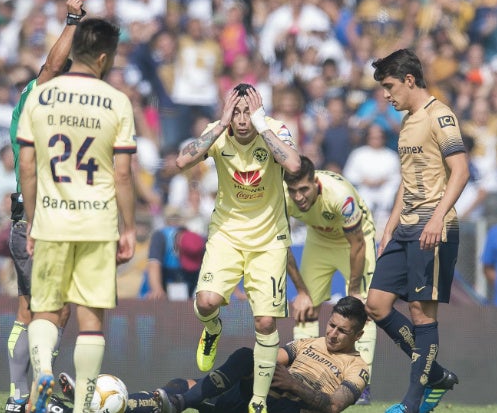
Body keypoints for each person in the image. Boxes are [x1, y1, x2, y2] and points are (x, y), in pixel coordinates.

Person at [17, 17, 137, 413]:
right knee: (90, 320)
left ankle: (42, 369)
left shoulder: (41, 95)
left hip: (51, 219)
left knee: (45, 311)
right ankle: (85, 404)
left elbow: (28, 167)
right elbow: (122, 173)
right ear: (104, 57)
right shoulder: (117, 101)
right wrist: (130, 228)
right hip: (97, 223)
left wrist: (32, 221)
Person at [175, 83, 301, 413]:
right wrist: (219, 124)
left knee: (265, 323)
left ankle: (258, 399)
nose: (242, 119)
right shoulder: (216, 133)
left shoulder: (274, 129)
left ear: (258, 111)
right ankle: (214, 327)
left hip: (269, 240)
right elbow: (180, 162)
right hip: (227, 235)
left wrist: (262, 123)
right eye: (237, 111)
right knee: (206, 303)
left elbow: (295, 165)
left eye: (248, 111)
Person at [363, 48, 469, 413]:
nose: (386, 95)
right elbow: (408, 181)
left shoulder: (440, 115)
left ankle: (412, 403)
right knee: (376, 306)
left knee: (422, 315)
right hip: (405, 227)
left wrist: (439, 217)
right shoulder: (407, 120)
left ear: (410, 80)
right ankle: (434, 373)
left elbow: (461, 170)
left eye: (390, 86)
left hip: (432, 226)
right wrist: (389, 226)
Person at [61, 296, 370, 413]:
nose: (332, 334)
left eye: (342, 331)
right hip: (257, 399)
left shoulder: (357, 367)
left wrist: (294, 385)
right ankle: (108, 406)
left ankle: (169, 404)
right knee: (186, 383)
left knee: (193, 392)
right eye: (331, 325)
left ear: (358, 334)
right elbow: (269, 358)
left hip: (291, 407)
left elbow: (333, 406)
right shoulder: (308, 343)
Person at [2, 0, 84, 413]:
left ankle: (20, 399)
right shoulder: (36, 97)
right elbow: (51, 67)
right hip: (38, 225)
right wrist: (72, 19)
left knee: (28, 312)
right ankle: (39, 396)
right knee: (54, 312)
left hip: (38, 222)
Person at [283, 155, 377, 405]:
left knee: (363, 307)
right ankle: (301, 374)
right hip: (320, 239)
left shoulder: (340, 195)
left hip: (355, 240)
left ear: (315, 183)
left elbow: (357, 245)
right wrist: (301, 291)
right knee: (305, 307)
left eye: (304, 189)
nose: (299, 196)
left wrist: (354, 291)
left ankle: (360, 385)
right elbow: (283, 246)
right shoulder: (282, 196)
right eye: (293, 191)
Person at [142, 206, 205, 301]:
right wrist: (157, 289)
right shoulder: (160, 237)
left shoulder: (200, 242)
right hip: (163, 278)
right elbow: (153, 265)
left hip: (190, 282)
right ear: (178, 246)